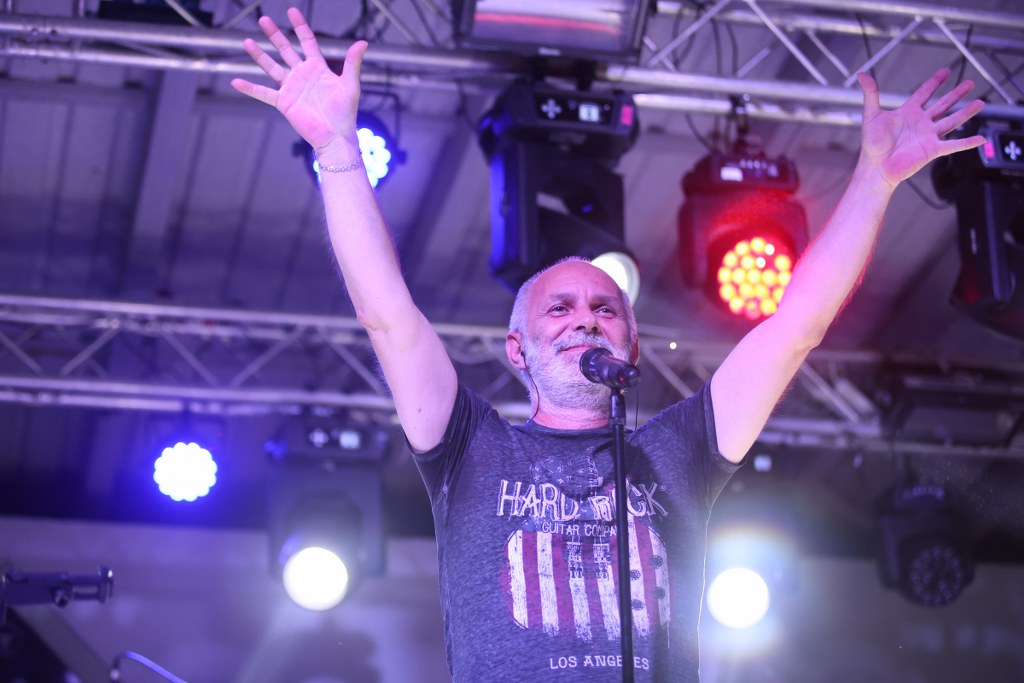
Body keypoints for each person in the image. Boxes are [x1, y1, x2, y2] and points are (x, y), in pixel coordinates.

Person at [232, 8, 985, 681]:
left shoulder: (679, 450)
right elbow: (388, 316)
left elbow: (795, 330)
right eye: (558, 308)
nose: (586, 319)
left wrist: (875, 180)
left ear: (632, 344)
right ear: (518, 350)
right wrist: (338, 151)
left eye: (605, 309)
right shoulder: (469, 448)